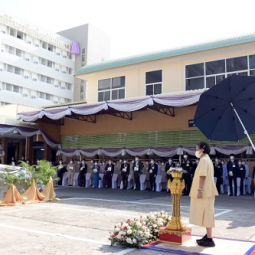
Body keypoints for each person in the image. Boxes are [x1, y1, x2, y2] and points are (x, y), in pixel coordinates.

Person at [190, 142, 218, 247]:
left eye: (197, 148)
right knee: (206, 213)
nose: (196, 151)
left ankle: (210, 239)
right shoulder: (206, 159)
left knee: (207, 214)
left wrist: (200, 190)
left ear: (202, 149)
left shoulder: (204, 160)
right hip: (207, 191)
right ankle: (208, 235)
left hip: (205, 191)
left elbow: (202, 176)